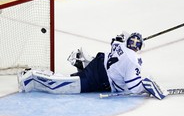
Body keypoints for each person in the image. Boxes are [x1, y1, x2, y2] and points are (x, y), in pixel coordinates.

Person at [17, 32, 166, 100]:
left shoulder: (120, 42)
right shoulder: (134, 60)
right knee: (67, 86)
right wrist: (145, 86)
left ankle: (83, 63)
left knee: (110, 67)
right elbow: (133, 86)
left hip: (100, 61)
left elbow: (116, 39)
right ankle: (31, 77)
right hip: (99, 78)